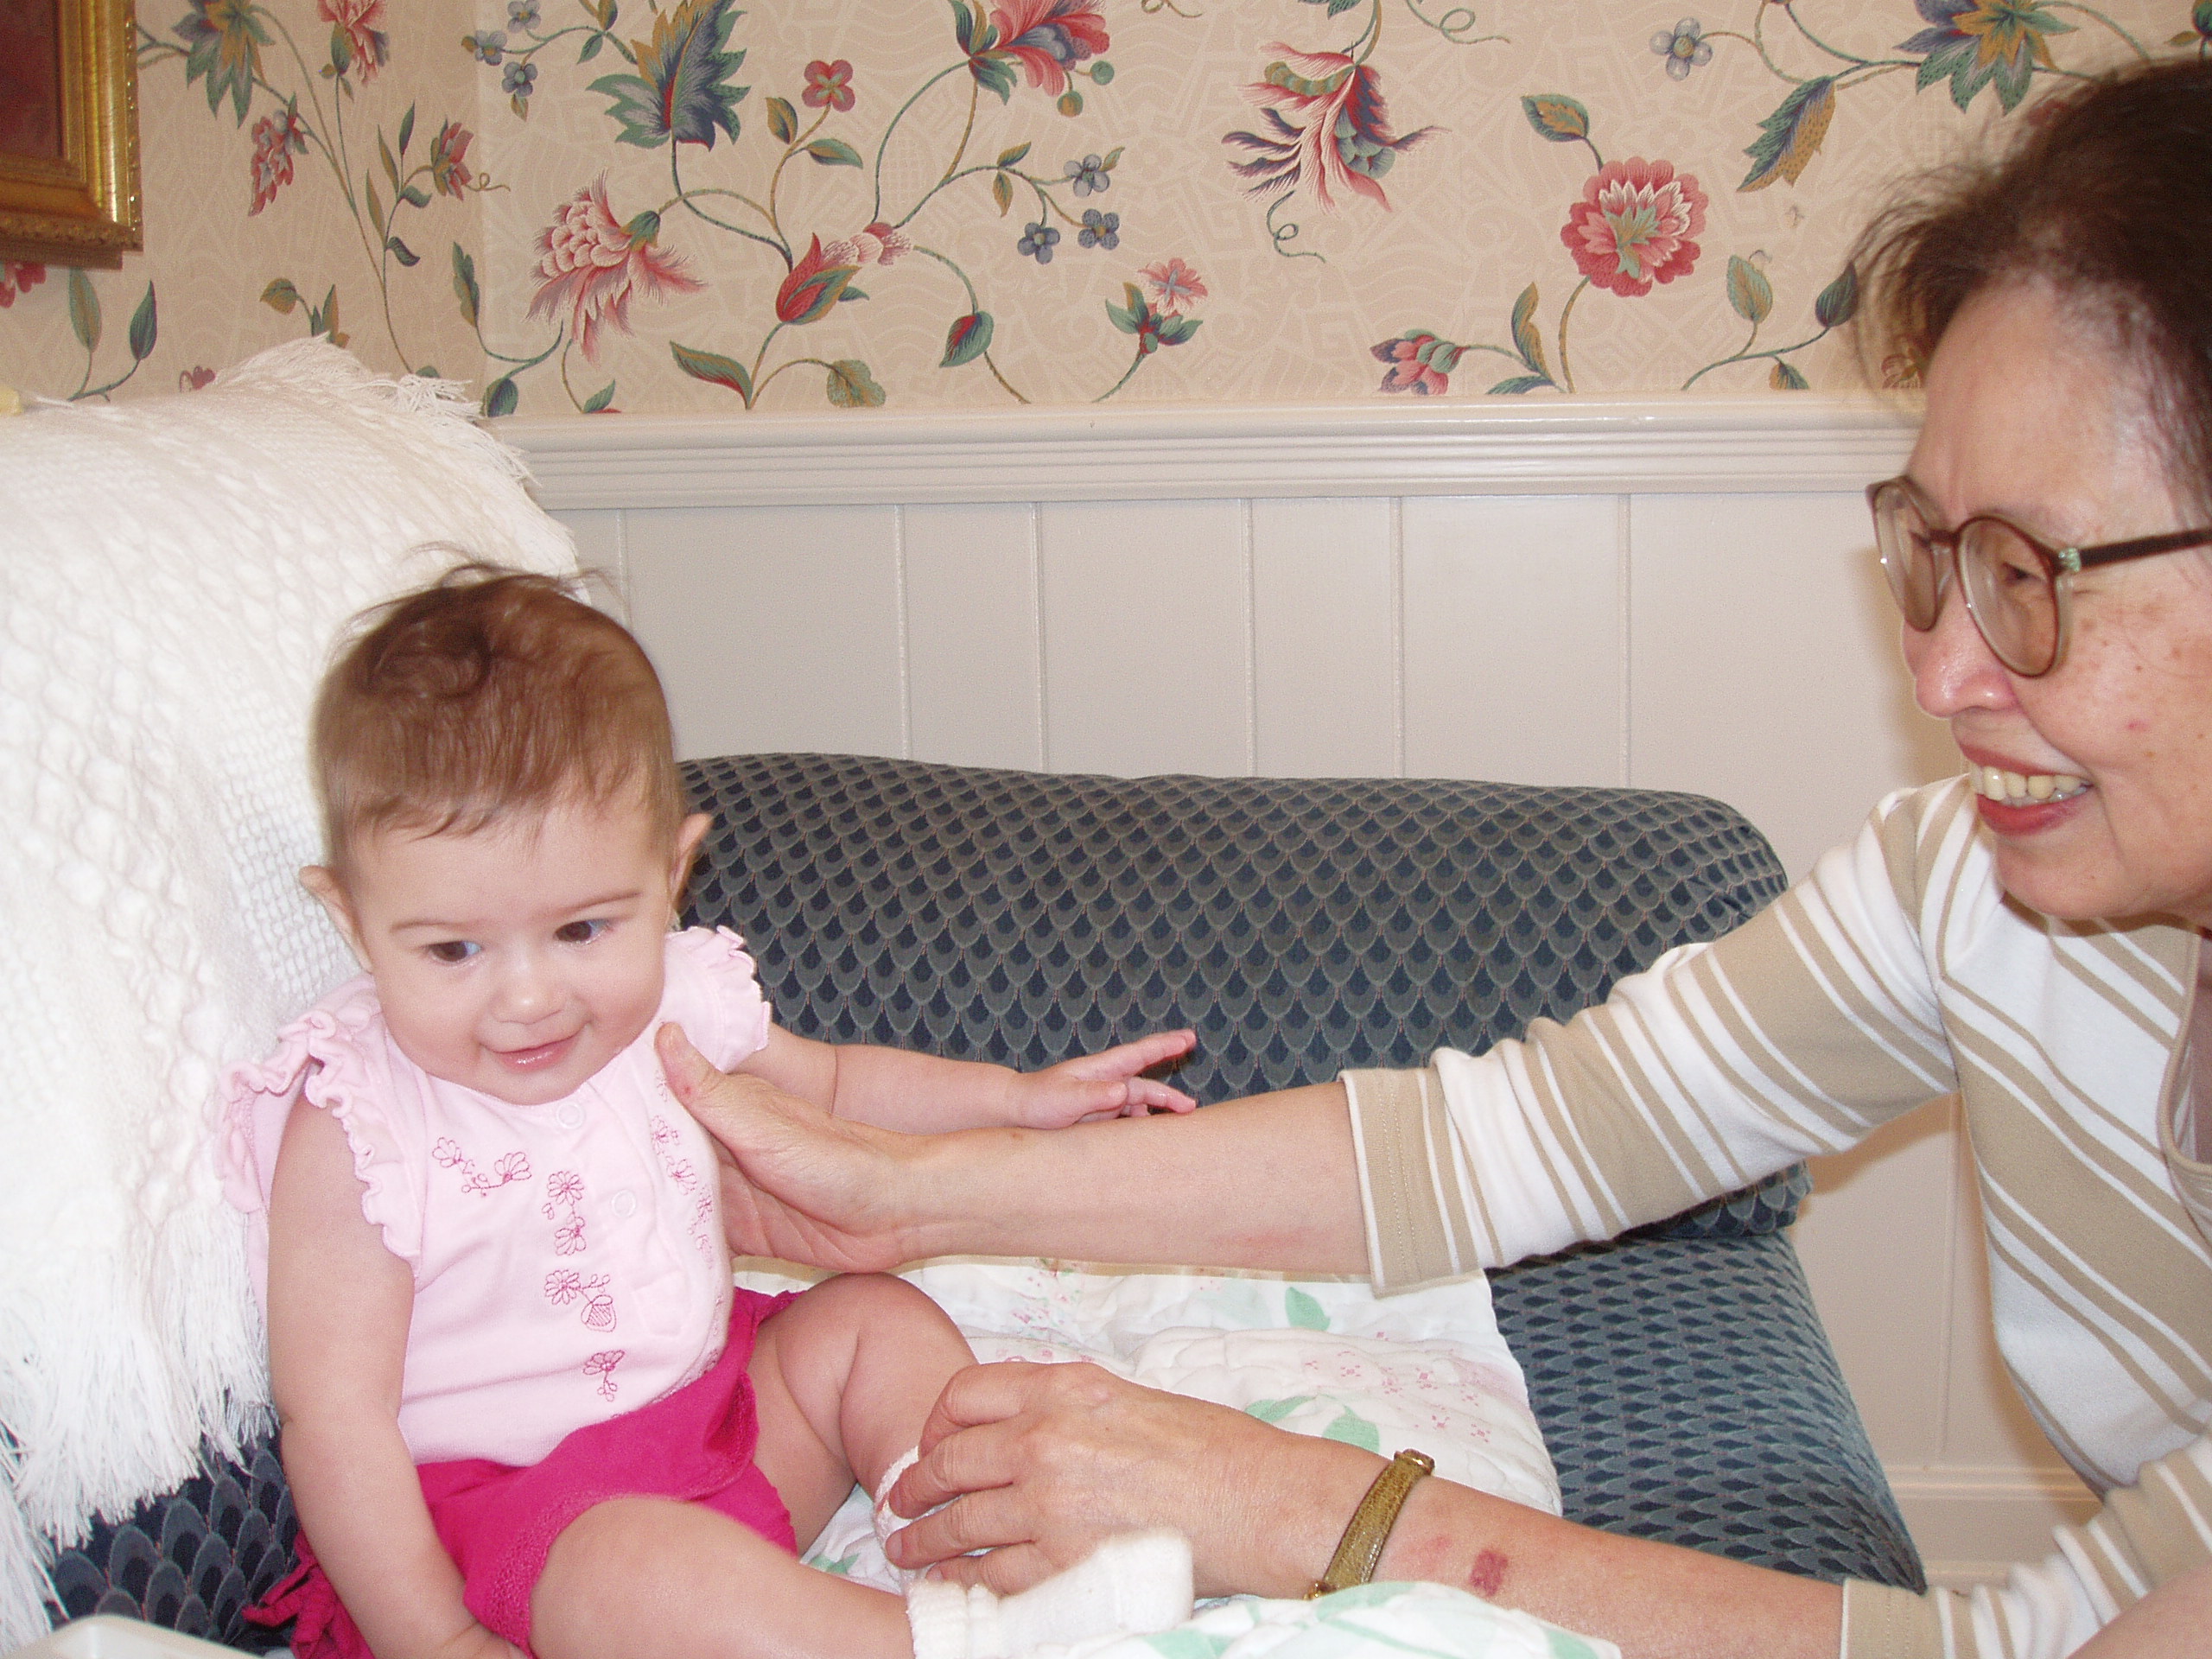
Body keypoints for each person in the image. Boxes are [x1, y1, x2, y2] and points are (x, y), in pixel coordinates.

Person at [659, 57, 2212, 1659]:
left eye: (2029, 574)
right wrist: (909, 1195)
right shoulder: (1970, 889)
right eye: (1933, 557)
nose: (1944, 673)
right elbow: (1506, 1140)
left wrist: (1311, 1512)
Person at [219, 568, 1200, 1659]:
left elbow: (837, 1087)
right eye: (454, 950)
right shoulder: (360, 1125)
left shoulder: (673, 1001)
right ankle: (943, 1642)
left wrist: (1014, 1099)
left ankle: (973, 1537)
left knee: (866, 1322)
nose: (529, 998)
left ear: (671, 874)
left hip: (718, 1418)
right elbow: (335, 1419)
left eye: (583, 930)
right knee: (629, 1568)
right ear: (352, 919)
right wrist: (438, 1639)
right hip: (517, 1533)